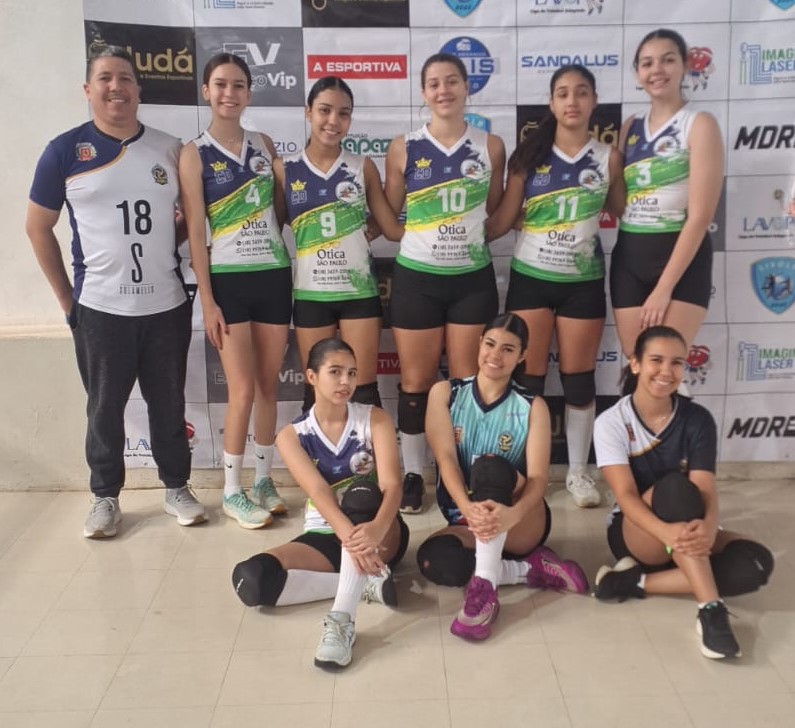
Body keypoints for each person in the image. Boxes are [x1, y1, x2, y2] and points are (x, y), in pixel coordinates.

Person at [25, 46, 206, 538]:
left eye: (125, 78)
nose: (116, 87)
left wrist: (171, 239)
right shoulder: (64, 151)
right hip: (100, 308)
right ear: (88, 89)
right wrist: (68, 301)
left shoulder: (171, 149)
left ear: (138, 90)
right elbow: (38, 227)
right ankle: (105, 496)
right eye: (105, 78)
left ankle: (177, 487)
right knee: (104, 409)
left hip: (165, 305)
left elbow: (190, 221)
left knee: (168, 404)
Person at [486, 64, 623, 509]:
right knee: (528, 381)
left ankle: (579, 473)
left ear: (593, 101)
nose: (572, 101)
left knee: (579, 381)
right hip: (531, 280)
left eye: (581, 93)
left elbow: (628, 213)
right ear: (551, 102)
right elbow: (502, 221)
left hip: (582, 283)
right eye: (563, 93)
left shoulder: (608, 158)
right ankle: (529, 472)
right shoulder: (528, 157)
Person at [593, 326, 773, 659]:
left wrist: (709, 527)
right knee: (675, 488)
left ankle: (630, 583)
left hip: (687, 525)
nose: (666, 371)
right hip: (638, 533)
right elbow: (627, 496)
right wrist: (667, 534)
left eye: (676, 362)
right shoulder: (611, 421)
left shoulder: (698, 418)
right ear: (636, 364)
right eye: (656, 360)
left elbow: (705, 487)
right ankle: (711, 610)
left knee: (756, 564)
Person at [231, 338, 409, 670]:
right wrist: (350, 541)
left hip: (380, 530)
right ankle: (365, 584)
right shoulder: (291, 435)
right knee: (252, 579)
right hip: (327, 533)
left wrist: (376, 530)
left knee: (362, 493)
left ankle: (342, 620)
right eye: (335, 372)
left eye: (352, 373)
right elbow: (318, 491)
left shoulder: (375, 419)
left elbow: (392, 486)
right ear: (311, 376)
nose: (346, 381)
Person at [416, 314, 588, 641]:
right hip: (467, 518)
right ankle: (529, 570)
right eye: (491, 344)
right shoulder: (446, 393)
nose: (496, 355)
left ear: (522, 356)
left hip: (520, 520)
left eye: (508, 349)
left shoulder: (531, 406)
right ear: (479, 343)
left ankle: (484, 592)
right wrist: (467, 508)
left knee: (489, 466)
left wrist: (512, 515)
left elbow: (538, 479)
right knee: (434, 562)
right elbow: (446, 458)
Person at [385, 53, 506, 515]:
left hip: (472, 280)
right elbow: (391, 212)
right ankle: (414, 474)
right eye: (434, 83)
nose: (443, 90)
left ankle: (457, 471)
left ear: (466, 86)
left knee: (465, 383)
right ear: (423, 93)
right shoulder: (404, 147)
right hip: (417, 279)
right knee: (415, 383)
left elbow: (494, 212)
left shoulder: (491, 146)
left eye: (452, 81)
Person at [179, 53, 289, 529]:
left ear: (248, 93)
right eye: (221, 84)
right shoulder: (194, 153)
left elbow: (281, 212)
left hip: (274, 274)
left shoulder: (264, 144)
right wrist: (207, 300)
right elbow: (196, 234)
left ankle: (263, 481)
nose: (230, 93)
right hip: (228, 281)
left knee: (268, 387)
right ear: (207, 91)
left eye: (239, 85)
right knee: (241, 390)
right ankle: (231, 491)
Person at [274, 76, 403, 414]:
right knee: (316, 391)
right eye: (325, 110)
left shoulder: (362, 167)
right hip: (311, 293)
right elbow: (271, 228)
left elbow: (391, 228)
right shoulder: (285, 169)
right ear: (308, 112)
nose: (333, 121)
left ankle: (369, 452)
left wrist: (438, 222)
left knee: (363, 390)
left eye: (343, 113)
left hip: (358, 293)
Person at [611, 29, 723, 359]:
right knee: (635, 363)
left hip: (680, 261)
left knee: (665, 364)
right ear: (637, 73)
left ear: (685, 65)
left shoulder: (700, 123)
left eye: (667, 60)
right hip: (630, 256)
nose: (657, 70)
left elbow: (701, 216)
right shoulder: (630, 126)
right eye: (647, 63)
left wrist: (663, 289)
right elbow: (620, 205)